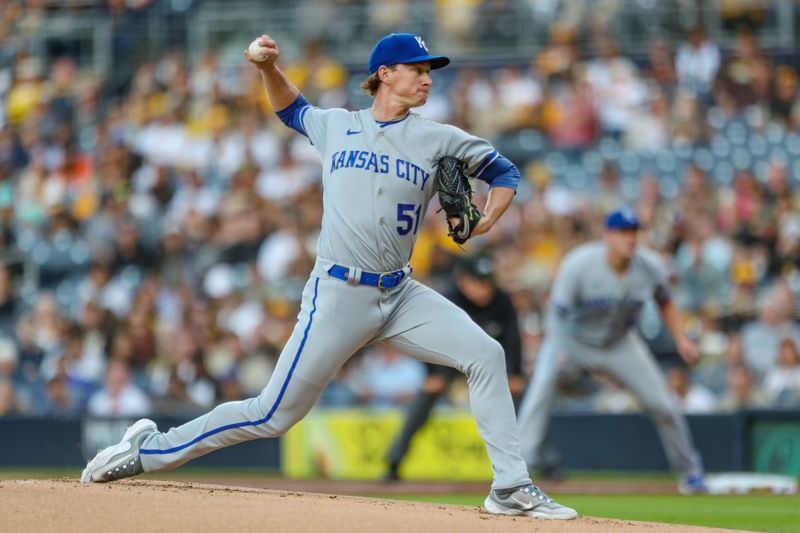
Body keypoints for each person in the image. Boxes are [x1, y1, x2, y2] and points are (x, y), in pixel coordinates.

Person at [80, 32, 577, 520]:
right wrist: (268, 69)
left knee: (486, 354)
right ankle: (147, 450)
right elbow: (290, 110)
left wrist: (486, 219)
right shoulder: (337, 124)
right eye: (418, 70)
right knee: (272, 414)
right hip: (338, 292)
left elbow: (505, 173)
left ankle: (511, 487)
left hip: (400, 294)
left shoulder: (440, 137)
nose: (427, 80)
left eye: (429, 72)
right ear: (384, 73)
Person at [516, 207, 708, 494]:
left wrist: (681, 338)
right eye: (622, 232)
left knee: (662, 404)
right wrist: (556, 348)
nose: (629, 238)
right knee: (541, 387)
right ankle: (518, 470)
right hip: (572, 340)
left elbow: (665, 300)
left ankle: (690, 472)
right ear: (607, 235)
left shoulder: (650, 266)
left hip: (620, 343)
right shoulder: (580, 263)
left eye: (633, 231)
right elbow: (556, 313)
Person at [384, 252, 526, 481]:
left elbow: (512, 339)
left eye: (488, 282)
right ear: (462, 280)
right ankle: (393, 461)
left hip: (488, 363)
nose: (485, 288)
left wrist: (516, 372)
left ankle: (543, 463)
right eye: (478, 282)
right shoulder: (447, 298)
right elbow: (426, 336)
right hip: (448, 362)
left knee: (521, 399)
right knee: (426, 397)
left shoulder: (502, 299)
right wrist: (433, 373)